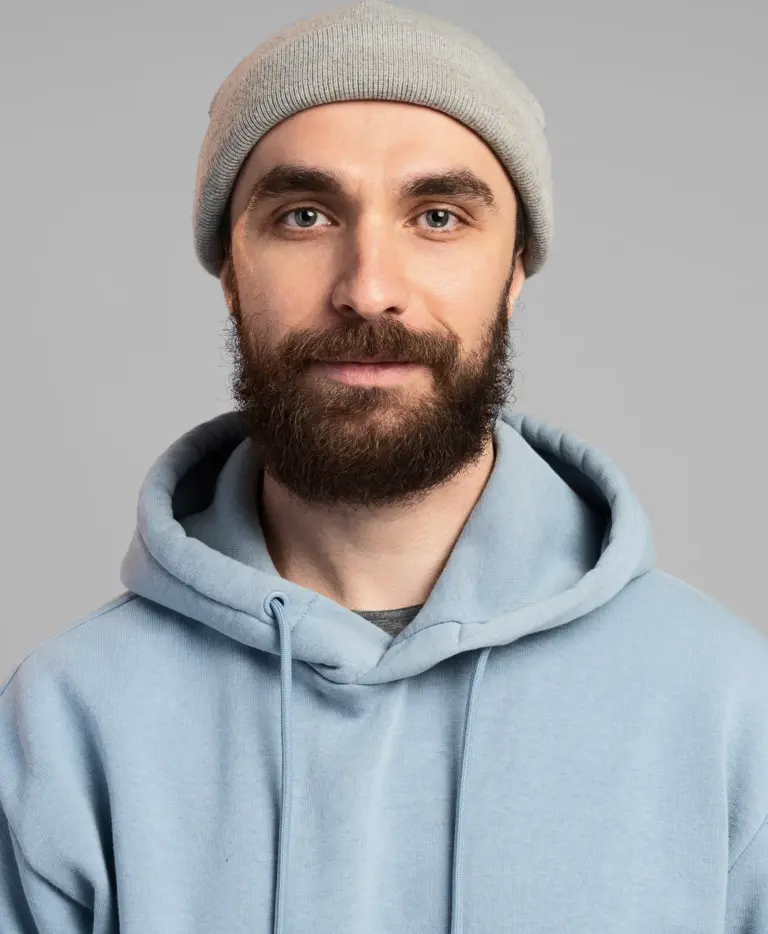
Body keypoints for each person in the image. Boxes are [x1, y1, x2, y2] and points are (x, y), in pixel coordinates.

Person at [1, 0, 766, 930]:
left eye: (437, 216)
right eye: (305, 215)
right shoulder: (67, 719)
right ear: (231, 270)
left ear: (515, 271)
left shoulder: (727, 705)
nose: (368, 288)